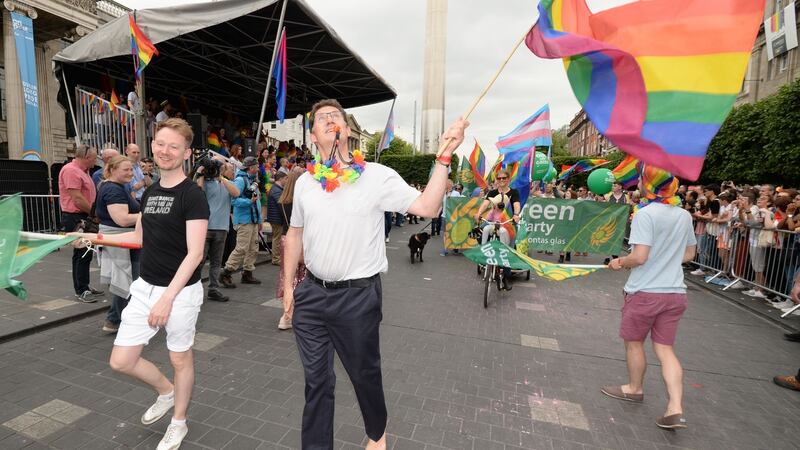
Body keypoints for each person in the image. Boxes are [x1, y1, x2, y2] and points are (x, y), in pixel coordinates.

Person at [282, 99, 467, 450]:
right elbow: (294, 234)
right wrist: (290, 288)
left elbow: (427, 207)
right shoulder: (305, 182)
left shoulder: (377, 176)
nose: (330, 121)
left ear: (347, 131)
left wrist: (443, 158)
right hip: (312, 294)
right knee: (317, 382)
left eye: (336, 116)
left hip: (357, 297)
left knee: (364, 374)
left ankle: (377, 434)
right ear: (312, 134)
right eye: (322, 118)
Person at [73, 118, 209, 450]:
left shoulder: (192, 195)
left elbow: (195, 254)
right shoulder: (150, 191)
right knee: (121, 360)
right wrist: (94, 236)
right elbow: (138, 238)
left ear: (186, 153)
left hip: (180, 292)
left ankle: (179, 422)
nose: (165, 151)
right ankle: (167, 391)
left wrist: (167, 299)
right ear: (153, 146)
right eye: (161, 144)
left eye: (174, 146)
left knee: (180, 359)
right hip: (145, 288)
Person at [605, 164, 696, 430]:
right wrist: (665, 261)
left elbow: (639, 257)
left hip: (645, 292)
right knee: (666, 350)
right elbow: (689, 255)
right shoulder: (683, 215)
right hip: (675, 293)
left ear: (650, 185)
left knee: (634, 344)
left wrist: (620, 262)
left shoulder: (645, 215)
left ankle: (634, 388)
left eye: (642, 180)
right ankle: (675, 407)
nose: (639, 185)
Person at [95, 155, 141, 333]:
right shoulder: (113, 189)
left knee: (130, 279)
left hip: (123, 240)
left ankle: (118, 319)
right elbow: (122, 219)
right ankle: (115, 319)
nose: (131, 173)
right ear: (113, 170)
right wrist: (149, 215)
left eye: (131, 169)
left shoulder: (115, 186)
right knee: (129, 280)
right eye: (126, 170)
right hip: (122, 240)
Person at [59, 145, 103, 303]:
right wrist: (95, 214)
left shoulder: (83, 171)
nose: (95, 160)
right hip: (76, 216)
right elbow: (77, 199)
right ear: (86, 157)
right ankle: (81, 289)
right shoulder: (71, 170)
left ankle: (84, 285)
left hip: (83, 215)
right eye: (94, 157)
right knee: (81, 253)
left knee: (86, 253)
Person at [196, 161, 240, 302]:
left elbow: (237, 193)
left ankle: (213, 289)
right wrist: (200, 173)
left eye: (219, 168)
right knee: (199, 261)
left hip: (222, 228)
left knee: (216, 262)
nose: (215, 170)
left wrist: (221, 178)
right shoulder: (204, 183)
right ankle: (193, 289)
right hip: (205, 228)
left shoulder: (226, 183)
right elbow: (197, 192)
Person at [474, 169, 521, 291]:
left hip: (507, 224)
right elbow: (485, 204)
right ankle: (484, 254)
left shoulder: (514, 192)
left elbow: (516, 204)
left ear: (508, 179)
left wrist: (516, 214)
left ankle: (506, 277)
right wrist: (478, 213)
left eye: (504, 178)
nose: (501, 180)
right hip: (493, 222)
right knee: (480, 231)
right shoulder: (492, 192)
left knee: (508, 251)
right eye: (499, 178)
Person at [221, 156, 263, 287]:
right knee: (242, 248)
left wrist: (259, 219)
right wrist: (249, 202)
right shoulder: (240, 180)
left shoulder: (250, 179)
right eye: (256, 166)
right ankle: (226, 272)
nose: (258, 168)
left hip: (252, 219)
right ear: (251, 167)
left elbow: (257, 201)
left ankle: (247, 273)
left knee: (253, 248)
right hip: (244, 220)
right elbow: (234, 201)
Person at [276, 169, 306, 330]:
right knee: (302, 277)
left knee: (287, 277)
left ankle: (286, 313)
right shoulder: (302, 202)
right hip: (300, 241)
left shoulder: (282, 201)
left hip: (284, 239)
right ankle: (294, 314)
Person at [266, 171, 288, 266]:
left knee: (277, 238)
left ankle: (277, 257)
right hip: (276, 218)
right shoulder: (276, 190)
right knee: (277, 239)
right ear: (280, 179)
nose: (287, 181)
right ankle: (276, 259)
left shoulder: (277, 189)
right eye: (285, 179)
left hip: (276, 217)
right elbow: (281, 204)